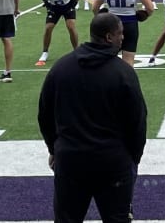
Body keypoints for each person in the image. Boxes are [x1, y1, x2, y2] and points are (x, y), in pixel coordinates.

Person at [38, 13, 147, 223]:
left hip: (71, 159)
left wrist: (55, 148)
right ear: (108, 37)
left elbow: (44, 114)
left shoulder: (61, 68)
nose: (122, 38)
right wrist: (132, 159)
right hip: (112, 161)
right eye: (120, 34)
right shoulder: (123, 73)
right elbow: (137, 122)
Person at [38, 0, 81, 66]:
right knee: (48, 28)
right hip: (54, 8)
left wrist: (73, 4)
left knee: (71, 27)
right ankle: (45, 52)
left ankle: (76, 50)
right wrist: (48, 6)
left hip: (67, 6)